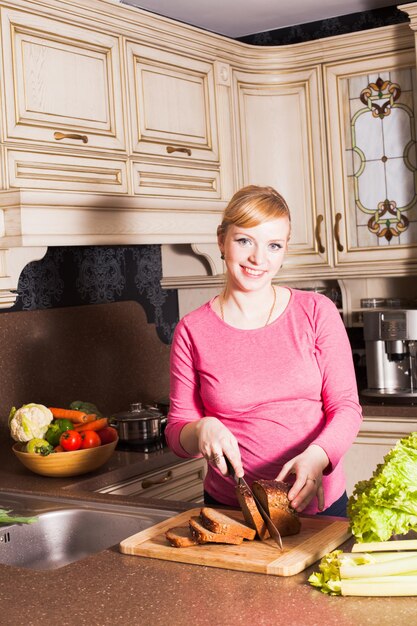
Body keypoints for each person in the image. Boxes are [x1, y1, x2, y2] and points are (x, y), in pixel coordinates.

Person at [165, 185, 362, 517]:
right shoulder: (192, 330)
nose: (258, 259)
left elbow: (346, 408)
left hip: (318, 505)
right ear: (221, 240)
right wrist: (201, 429)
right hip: (233, 510)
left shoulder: (316, 311)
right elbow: (177, 430)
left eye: (273, 245)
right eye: (245, 241)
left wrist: (318, 456)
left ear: (285, 250)